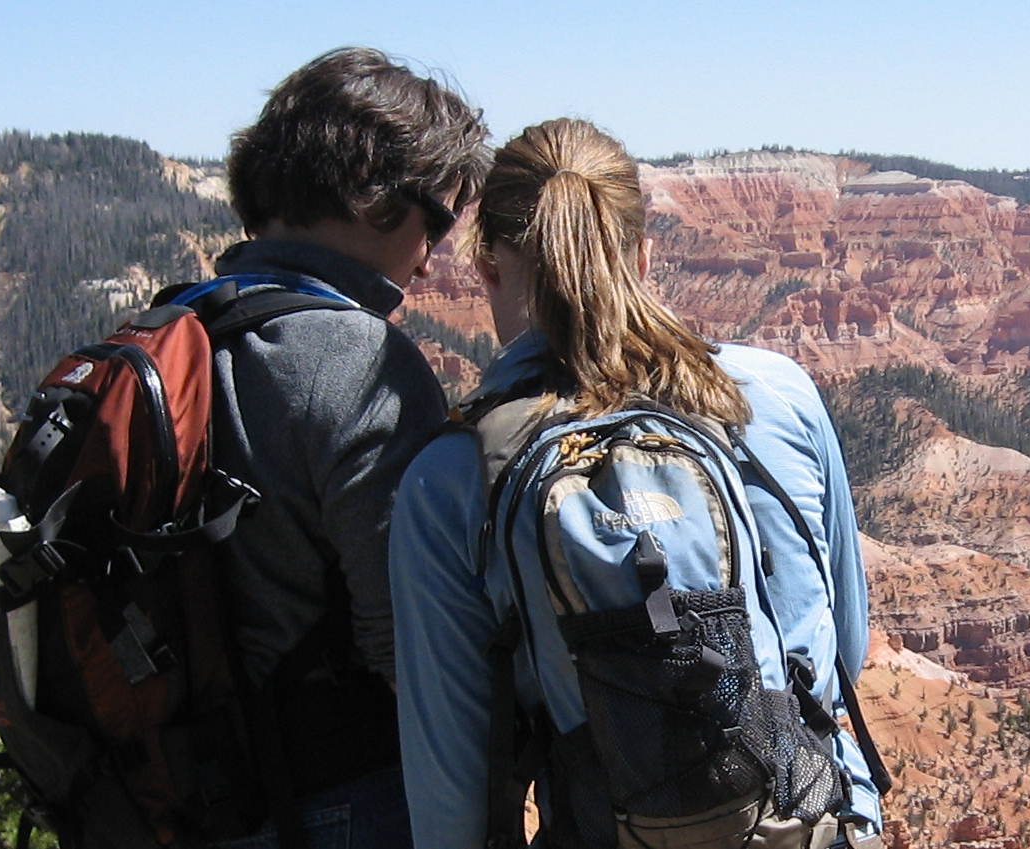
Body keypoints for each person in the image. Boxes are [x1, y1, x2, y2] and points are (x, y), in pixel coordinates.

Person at [388, 119, 882, 847]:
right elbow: (847, 645)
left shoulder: (453, 477)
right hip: (813, 824)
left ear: (486, 266)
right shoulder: (779, 394)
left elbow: (453, 799)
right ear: (644, 256)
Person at [195, 46, 488, 848]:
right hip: (337, 798)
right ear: (378, 198)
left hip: (186, 793)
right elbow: (412, 643)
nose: (431, 260)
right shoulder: (356, 358)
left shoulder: (185, 327)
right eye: (437, 220)